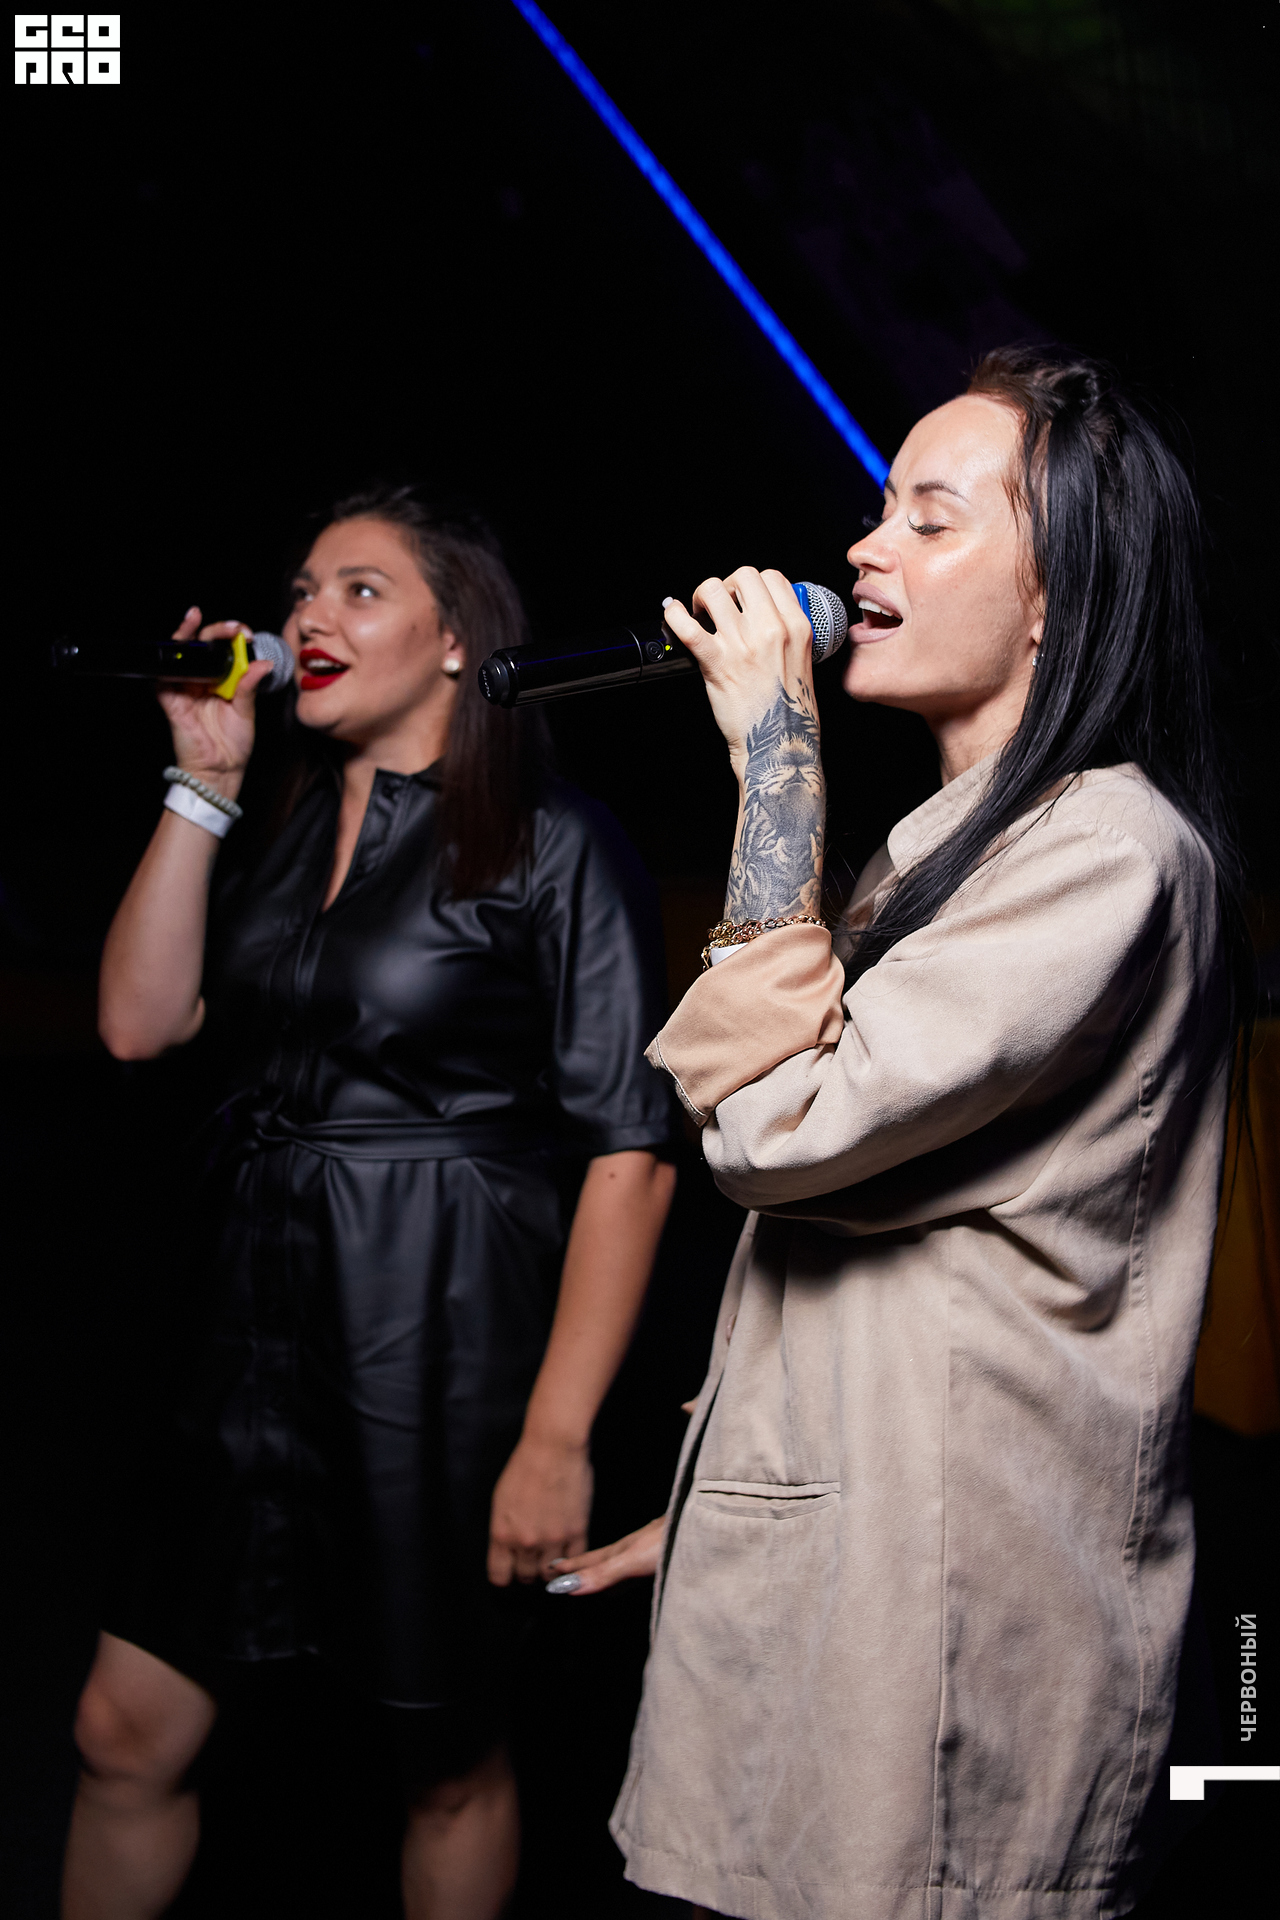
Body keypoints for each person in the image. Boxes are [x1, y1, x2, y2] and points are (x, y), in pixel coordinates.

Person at [548, 349, 1251, 1918]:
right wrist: (731, 1499)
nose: (865, 549)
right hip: (854, 1570)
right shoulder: (934, 862)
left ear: (1060, 599)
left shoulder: (1113, 856)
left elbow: (773, 1130)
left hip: (957, 1617)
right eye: (879, 510)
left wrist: (774, 755)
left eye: (930, 520)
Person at [63, 488, 676, 1920]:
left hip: (439, 1343)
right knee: (120, 1728)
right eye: (302, 591)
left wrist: (555, 1440)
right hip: (250, 1335)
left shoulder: (553, 841)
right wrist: (203, 783)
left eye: (361, 589)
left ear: (457, 640)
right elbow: (139, 1027)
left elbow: (631, 1154)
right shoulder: (275, 825)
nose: (310, 616)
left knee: (442, 1759)